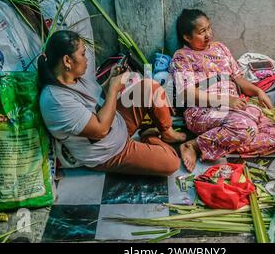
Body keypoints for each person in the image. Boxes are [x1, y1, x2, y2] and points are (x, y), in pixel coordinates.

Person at [38, 30, 186, 176]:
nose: (87, 59)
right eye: (82, 54)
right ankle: (148, 136)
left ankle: (167, 133)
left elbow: (98, 98)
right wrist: (114, 89)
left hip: (117, 122)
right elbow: (101, 130)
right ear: (67, 61)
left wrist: (111, 80)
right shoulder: (56, 101)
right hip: (109, 151)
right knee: (172, 162)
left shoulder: (73, 78)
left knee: (150, 87)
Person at [169, 9, 275, 172]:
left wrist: (258, 92)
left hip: (236, 109)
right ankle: (194, 145)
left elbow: (238, 78)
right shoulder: (182, 57)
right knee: (244, 127)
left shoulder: (220, 48)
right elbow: (187, 93)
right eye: (202, 32)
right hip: (203, 111)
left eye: (209, 28)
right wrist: (227, 101)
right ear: (187, 37)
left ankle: (222, 141)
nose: (208, 35)